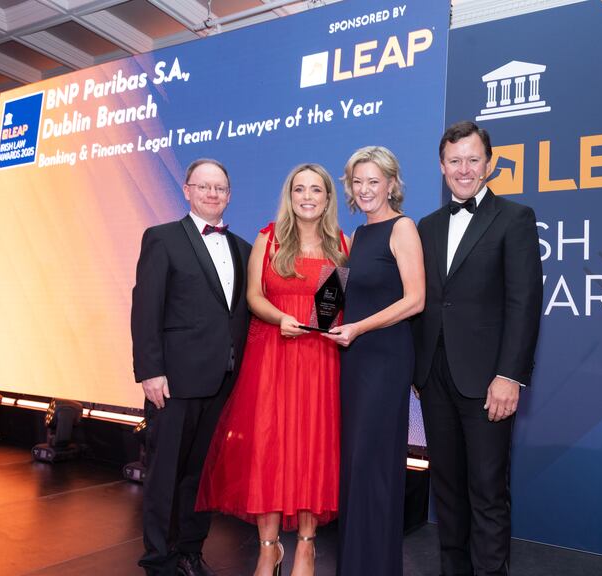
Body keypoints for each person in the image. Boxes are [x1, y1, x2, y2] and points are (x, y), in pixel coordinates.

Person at [196, 164, 348, 576]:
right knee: (269, 449)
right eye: (299, 189)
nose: (307, 196)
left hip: (318, 361)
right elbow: (253, 296)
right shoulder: (269, 238)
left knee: (311, 450)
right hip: (272, 355)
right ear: (290, 196)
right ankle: (268, 548)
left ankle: (305, 546)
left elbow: (329, 311)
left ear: (328, 198)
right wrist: (280, 318)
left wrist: (320, 325)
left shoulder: (341, 245)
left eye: (316, 189)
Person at [411, 121, 543, 576]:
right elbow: (421, 301)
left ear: (489, 163)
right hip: (434, 377)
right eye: (454, 161)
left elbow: (524, 303)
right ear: (441, 166)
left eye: (472, 159)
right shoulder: (426, 226)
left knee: (487, 490)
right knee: (446, 492)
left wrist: (510, 375)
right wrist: (417, 373)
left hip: (488, 380)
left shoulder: (514, 218)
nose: (463, 169)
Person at [131, 158, 252, 576]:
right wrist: (150, 370)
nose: (212, 194)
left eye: (219, 188)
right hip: (174, 381)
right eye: (204, 187)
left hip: (222, 380)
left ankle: (188, 552)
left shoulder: (243, 249)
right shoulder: (162, 238)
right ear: (187, 190)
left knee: (200, 477)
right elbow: (145, 310)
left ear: (229, 195)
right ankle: (158, 560)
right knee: (165, 474)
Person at [324, 146, 425, 576]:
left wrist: (360, 328)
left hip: (384, 359)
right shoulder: (359, 235)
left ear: (391, 184)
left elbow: (416, 300)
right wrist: (305, 321)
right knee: (356, 464)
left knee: (374, 462)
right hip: (355, 359)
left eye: (373, 181)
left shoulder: (403, 228)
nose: (365, 190)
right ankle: (356, 563)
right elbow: (336, 299)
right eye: (357, 182)